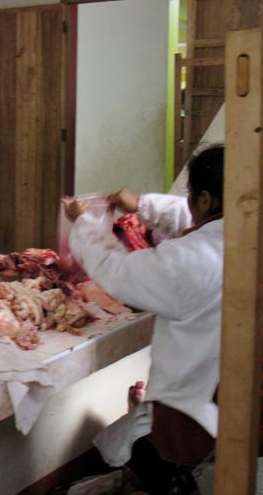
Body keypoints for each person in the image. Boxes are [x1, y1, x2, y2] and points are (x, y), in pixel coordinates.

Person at [63, 144, 225, 494]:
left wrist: (84, 224)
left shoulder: (194, 259)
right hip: (234, 395)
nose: (188, 205)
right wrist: (143, 205)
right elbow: (200, 221)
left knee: (148, 456)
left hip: (197, 410)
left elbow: (117, 270)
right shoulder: (256, 233)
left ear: (205, 199)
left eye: (192, 196)